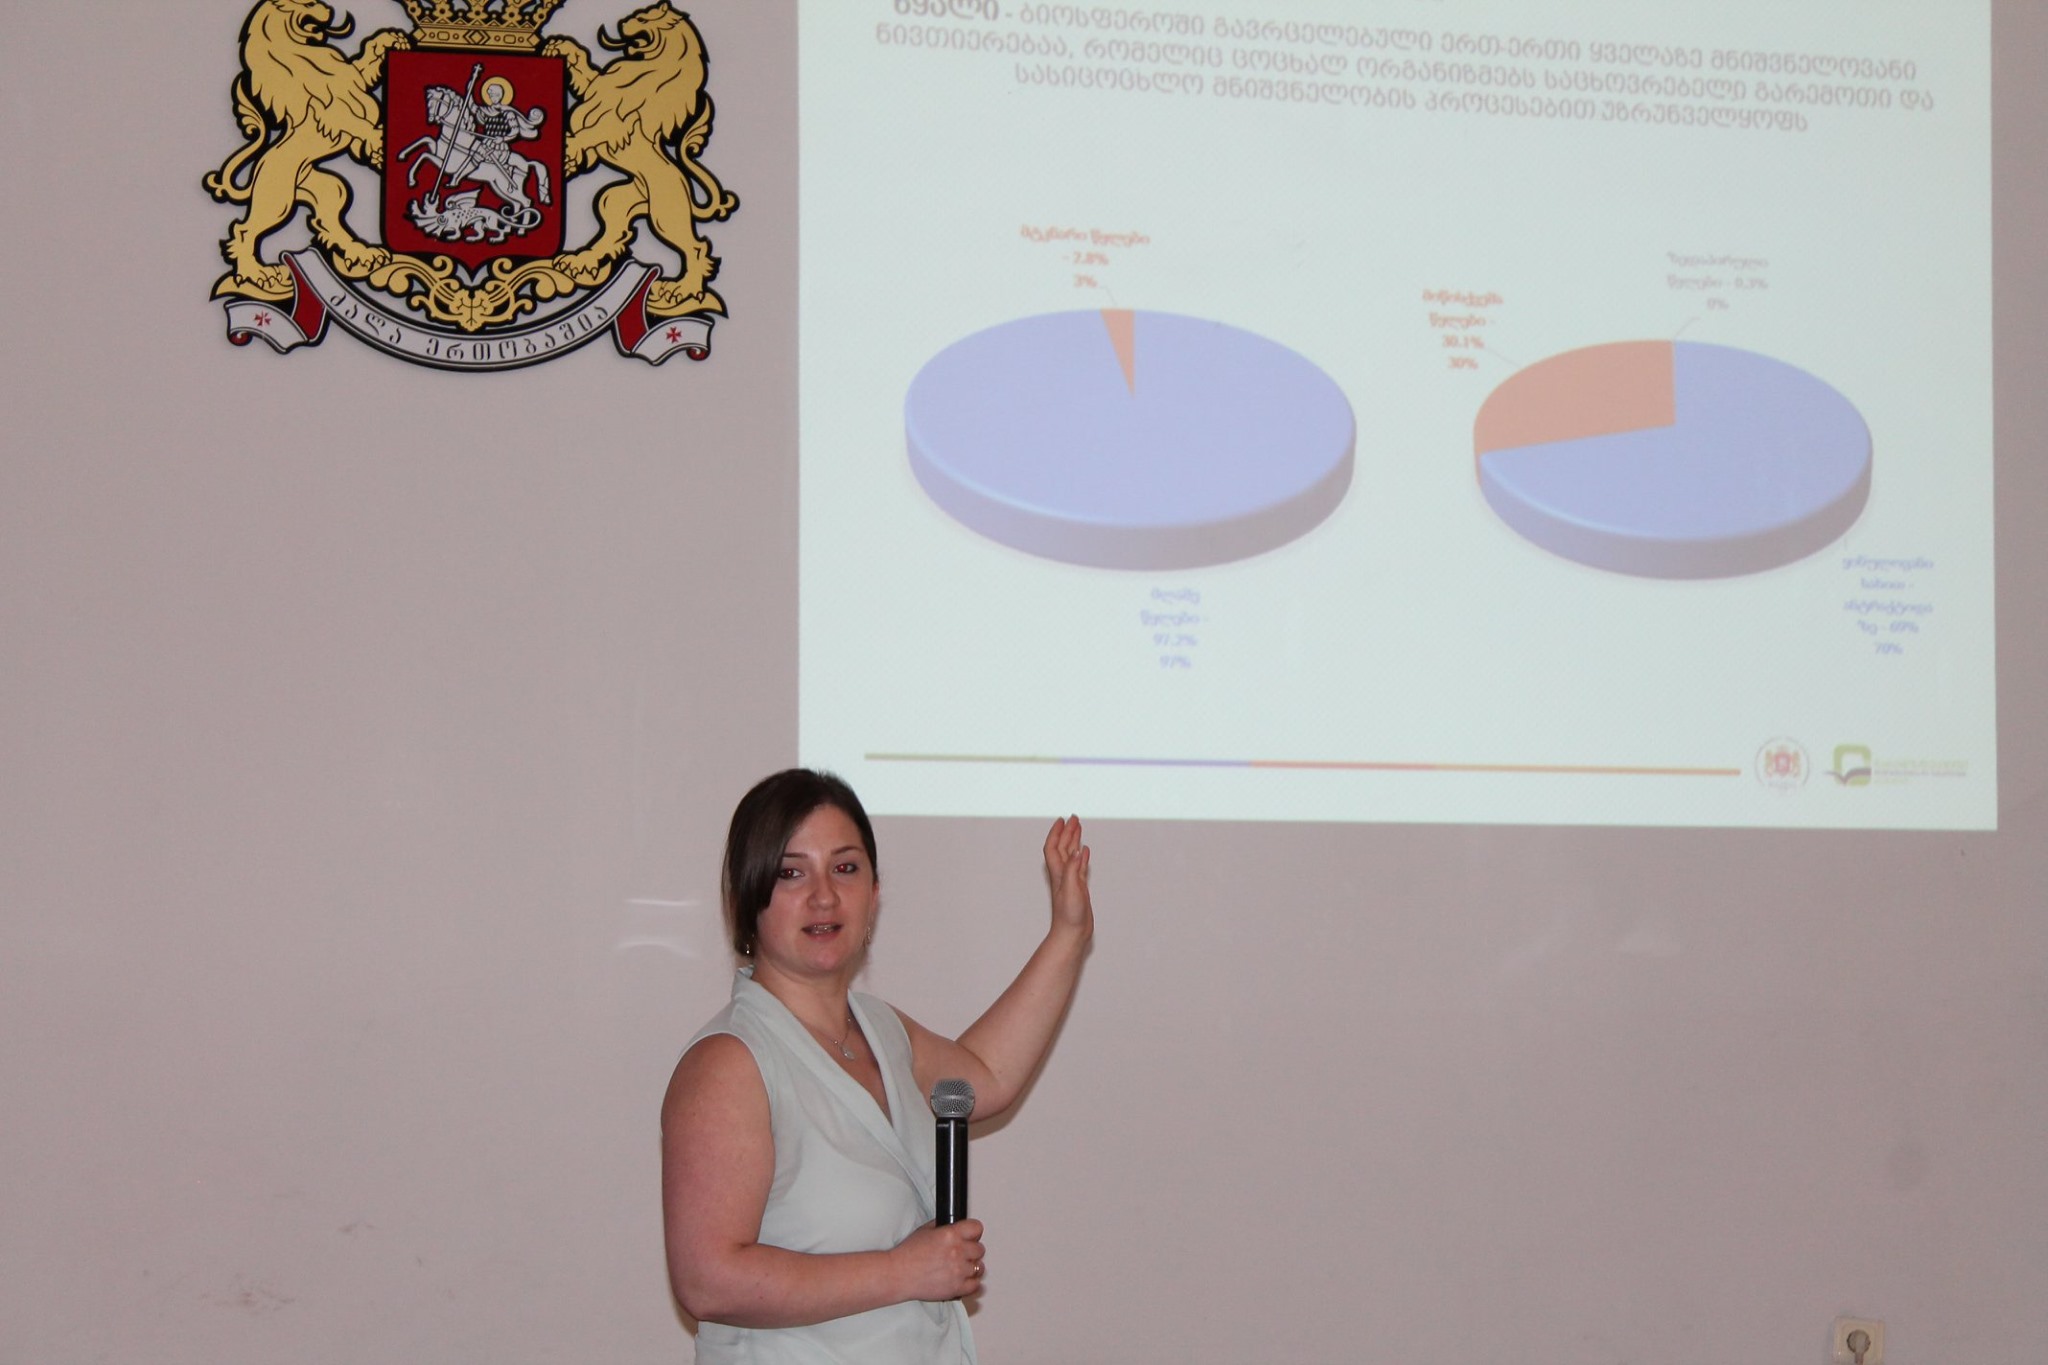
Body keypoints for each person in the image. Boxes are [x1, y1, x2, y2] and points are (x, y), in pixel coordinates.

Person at [661, 769, 1094, 1364]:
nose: (824, 896)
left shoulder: (880, 1028)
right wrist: (903, 1272)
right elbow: (708, 1280)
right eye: (791, 873)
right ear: (746, 897)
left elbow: (986, 1076)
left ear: (874, 891)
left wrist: (1068, 934)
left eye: (845, 867)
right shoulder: (728, 1064)